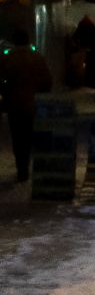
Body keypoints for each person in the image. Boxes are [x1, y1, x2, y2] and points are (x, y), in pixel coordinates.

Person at [2, 29, 54, 183]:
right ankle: (33, 165)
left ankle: (21, 169)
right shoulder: (37, 58)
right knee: (31, 135)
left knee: (18, 138)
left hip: (14, 105)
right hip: (33, 104)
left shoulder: (7, 59)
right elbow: (47, 81)